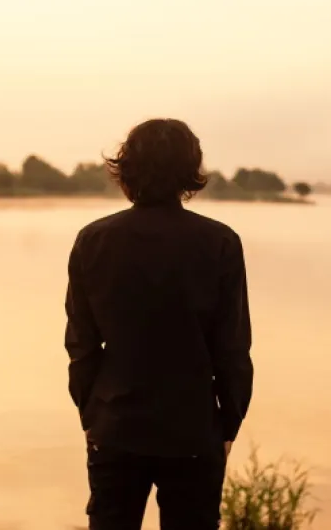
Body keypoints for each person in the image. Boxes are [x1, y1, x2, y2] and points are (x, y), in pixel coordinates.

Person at [65, 119, 253, 530]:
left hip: (114, 426)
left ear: (127, 168)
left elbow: (81, 344)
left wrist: (90, 416)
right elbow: (232, 349)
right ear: (190, 172)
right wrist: (228, 424)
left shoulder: (92, 240)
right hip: (193, 428)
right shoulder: (220, 243)